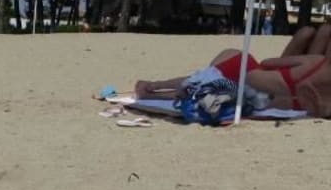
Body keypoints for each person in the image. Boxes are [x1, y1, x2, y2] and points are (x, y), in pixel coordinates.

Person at [133, 25, 331, 117]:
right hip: (273, 97)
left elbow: (269, 62)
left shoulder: (315, 61)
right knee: (210, 82)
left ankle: (153, 86)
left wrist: (285, 69)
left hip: (252, 80)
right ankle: (159, 89)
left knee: (211, 74)